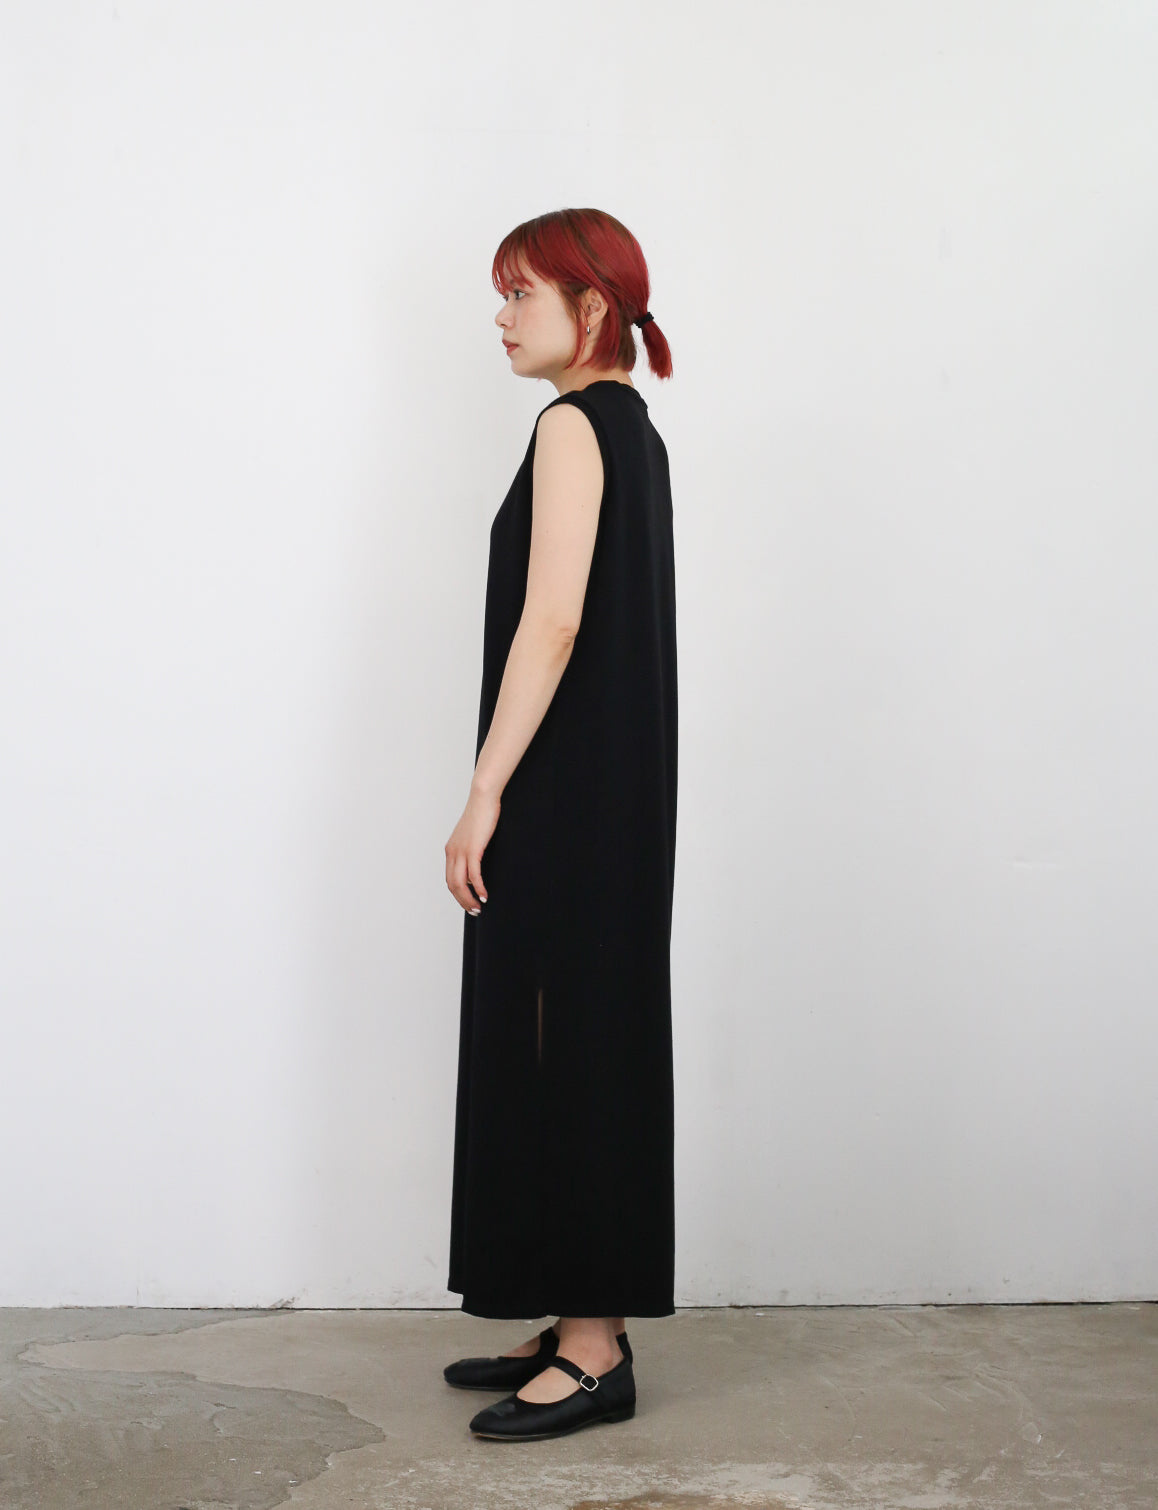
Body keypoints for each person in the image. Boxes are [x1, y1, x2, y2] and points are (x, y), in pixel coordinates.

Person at [443, 207, 678, 1442]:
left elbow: (554, 620)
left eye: (520, 292)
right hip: (611, 788)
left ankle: (593, 1352)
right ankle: (582, 1313)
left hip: (567, 789)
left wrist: (485, 788)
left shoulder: (572, 426)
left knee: (572, 1037)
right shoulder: (632, 430)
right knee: (580, 1030)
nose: (500, 315)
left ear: (590, 308)